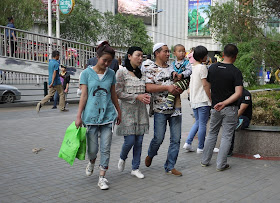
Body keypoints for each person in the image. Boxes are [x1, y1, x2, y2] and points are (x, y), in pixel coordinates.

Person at [75, 41, 121, 190]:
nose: (107, 63)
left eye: (110, 61)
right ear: (97, 57)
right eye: (104, 60)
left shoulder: (111, 74)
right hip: (91, 116)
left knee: (106, 147)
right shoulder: (86, 74)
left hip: (107, 116)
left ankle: (102, 177)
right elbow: (84, 96)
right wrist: (78, 116)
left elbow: (113, 94)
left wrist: (118, 111)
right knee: (93, 149)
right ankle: (92, 161)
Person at [201, 44, 243, 171]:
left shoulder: (213, 68)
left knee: (212, 133)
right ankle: (221, 165)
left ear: (223, 54)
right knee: (226, 136)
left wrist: (212, 100)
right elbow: (239, 93)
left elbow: (206, 85)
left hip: (215, 107)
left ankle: (205, 161)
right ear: (235, 56)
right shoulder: (235, 72)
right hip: (230, 108)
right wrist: (225, 103)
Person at [145, 43, 183, 176]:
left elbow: (182, 81)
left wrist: (180, 87)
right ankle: (151, 154)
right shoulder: (150, 68)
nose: (168, 54)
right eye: (165, 52)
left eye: (168, 52)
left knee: (176, 139)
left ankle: (170, 166)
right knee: (158, 138)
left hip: (175, 109)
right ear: (157, 53)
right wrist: (167, 88)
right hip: (160, 109)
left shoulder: (173, 68)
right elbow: (148, 87)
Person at [116, 46, 150, 179]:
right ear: (129, 56)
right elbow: (118, 93)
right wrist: (136, 96)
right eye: (138, 55)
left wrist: (146, 97)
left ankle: (135, 168)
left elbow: (145, 90)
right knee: (129, 140)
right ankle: (122, 157)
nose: (140, 58)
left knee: (139, 141)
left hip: (141, 112)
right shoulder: (121, 73)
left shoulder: (142, 74)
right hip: (127, 112)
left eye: (142, 56)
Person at [183, 46, 211, 153]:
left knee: (198, 122)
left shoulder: (193, 67)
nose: (207, 57)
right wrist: (210, 97)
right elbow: (205, 84)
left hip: (194, 99)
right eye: (206, 55)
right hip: (202, 99)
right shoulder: (202, 68)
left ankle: (188, 142)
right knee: (203, 123)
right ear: (203, 56)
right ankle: (200, 147)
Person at [161, 44, 192, 116]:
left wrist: (182, 74)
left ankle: (169, 104)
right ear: (174, 53)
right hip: (176, 82)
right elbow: (170, 69)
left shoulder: (187, 62)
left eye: (183, 51)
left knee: (173, 89)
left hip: (184, 81)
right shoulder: (173, 63)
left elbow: (189, 71)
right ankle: (178, 110)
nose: (182, 53)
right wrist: (173, 72)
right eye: (179, 51)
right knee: (176, 94)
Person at [228, 87, 252, 156]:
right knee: (230, 124)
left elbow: (242, 109)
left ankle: (229, 150)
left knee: (232, 124)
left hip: (244, 118)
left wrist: (233, 118)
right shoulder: (233, 94)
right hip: (234, 117)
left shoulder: (246, 94)